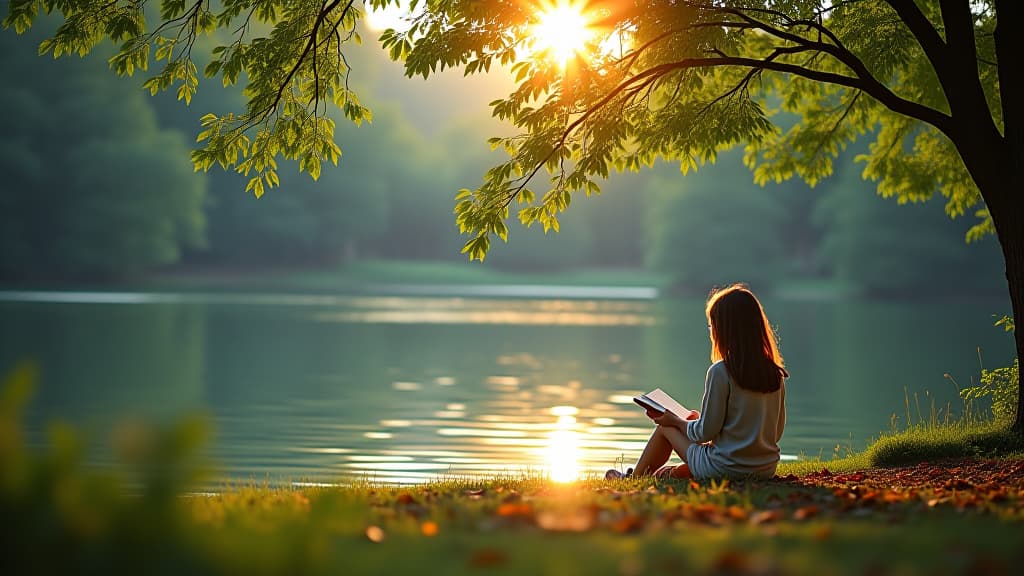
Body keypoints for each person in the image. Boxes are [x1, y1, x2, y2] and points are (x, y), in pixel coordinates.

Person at [606, 283, 788, 481]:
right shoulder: (775, 374)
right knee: (685, 436)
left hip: (726, 468)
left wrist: (674, 421)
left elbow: (704, 433)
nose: (711, 331)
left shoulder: (721, 372)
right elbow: (775, 432)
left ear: (724, 329)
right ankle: (668, 473)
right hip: (764, 469)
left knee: (665, 429)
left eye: (712, 325)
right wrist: (694, 421)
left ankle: (633, 480)